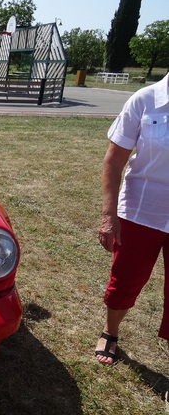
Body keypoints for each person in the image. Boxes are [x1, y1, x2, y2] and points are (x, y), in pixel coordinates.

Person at [95, 72, 169, 365]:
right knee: (125, 279)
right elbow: (114, 161)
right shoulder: (146, 99)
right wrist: (108, 216)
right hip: (142, 211)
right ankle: (110, 332)